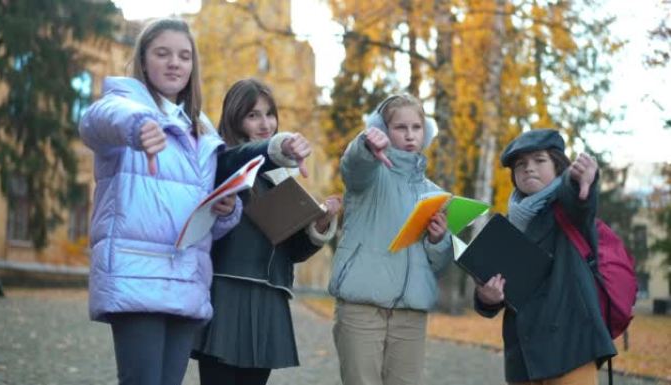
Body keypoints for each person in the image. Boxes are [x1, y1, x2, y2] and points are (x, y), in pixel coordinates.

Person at [78, 20, 308, 385]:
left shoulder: (201, 133)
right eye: (162, 53)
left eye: (184, 56)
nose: (174, 63)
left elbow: (211, 218)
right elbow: (95, 121)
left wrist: (226, 210)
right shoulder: (122, 104)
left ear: (193, 67)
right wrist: (137, 126)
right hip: (139, 275)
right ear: (143, 59)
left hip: (187, 279)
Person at [191, 78, 342, 385]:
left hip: (270, 298)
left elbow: (294, 250)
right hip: (228, 295)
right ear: (235, 119)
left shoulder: (278, 179)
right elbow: (242, 157)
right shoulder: (220, 161)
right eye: (253, 115)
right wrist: (279, 147)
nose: (265, 123)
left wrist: (321, 224)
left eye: (270, 114)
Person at [328, 93, 454, 385]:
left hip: (411, 314)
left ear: (425, 132)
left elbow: (437, 264)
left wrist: (438, 241)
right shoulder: (369, 174)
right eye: (400, 127)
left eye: (416, 127)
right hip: (362, 308)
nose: (410, 135)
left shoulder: (434, 193)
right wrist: (366, 145)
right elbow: (353, 166)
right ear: (384, 130)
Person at [474, 129, 617, 384]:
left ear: (558, 165)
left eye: (539, 161)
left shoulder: (568, 209)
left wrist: (585, 183)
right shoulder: (505, 227)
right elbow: (494, 288)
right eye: (521, 164)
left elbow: (581, 202)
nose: (529, 168)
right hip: (524, 355)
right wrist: (487, 298)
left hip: (571, 347)